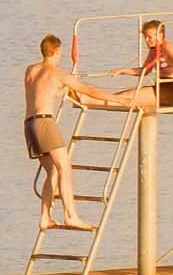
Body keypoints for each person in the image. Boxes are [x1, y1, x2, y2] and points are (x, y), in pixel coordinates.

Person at [24, 36, 149, 233]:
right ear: (57, 51)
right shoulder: (60, 75)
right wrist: (120, 101)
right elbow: (91, 91)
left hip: (29, 125)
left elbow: (43, 92)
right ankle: (70, 215)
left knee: (53, 171)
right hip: (45, 122)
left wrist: (64, 87)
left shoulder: (31, 70)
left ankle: (45, 218)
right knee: (65, 168)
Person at [119, 19, 173, 109]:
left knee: (125, 97)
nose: (147, 40)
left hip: (169, 90)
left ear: (160, 35)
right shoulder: (153, 51)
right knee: (123, 95)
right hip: (159, 87)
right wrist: (123, 71)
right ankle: (98, 99)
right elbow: (144, 71)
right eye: (145, 37)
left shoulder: (167, 47)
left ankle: (99, 99)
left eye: (149, 37)